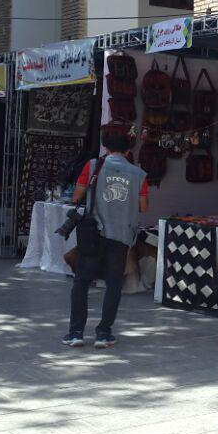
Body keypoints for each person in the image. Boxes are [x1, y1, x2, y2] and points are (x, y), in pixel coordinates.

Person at [64, 129, 148, 349]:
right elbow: (144, 206)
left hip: (94, 234)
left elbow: (76, 196)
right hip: (121, 235)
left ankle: (75, 333)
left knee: (81, 282)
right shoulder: (139, 174)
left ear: (106, 147)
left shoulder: (93, 166)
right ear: (129, 149)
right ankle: (103, 334)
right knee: (113, 285)